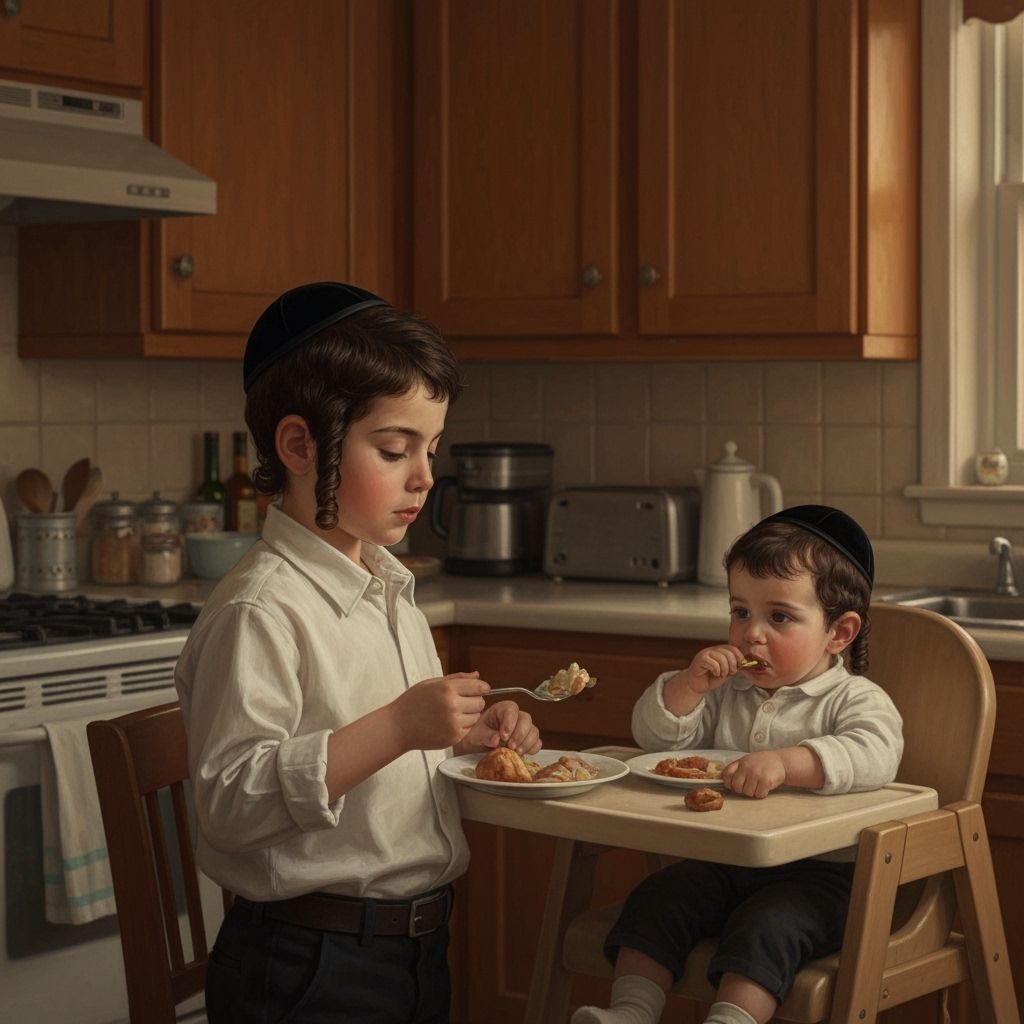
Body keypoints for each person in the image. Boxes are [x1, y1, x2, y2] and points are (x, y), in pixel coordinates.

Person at [174, 281, 542, 1024]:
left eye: (432, 449)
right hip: (304, 969)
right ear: (300, 445)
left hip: (411, 953)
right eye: (395, 448)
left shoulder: (385, 586)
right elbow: (231, 805)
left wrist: (456, 739)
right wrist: (402, 728)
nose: (425, 477)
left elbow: (370, 752)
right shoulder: (260, 609)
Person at [572, 505, 903, 1024]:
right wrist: (687, 688)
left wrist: (788, 763)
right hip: (727, 861)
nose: (752, 634)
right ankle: (630, 1013)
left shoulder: (853, 699)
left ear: (839, 633)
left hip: (824, 878)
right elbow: (655, 741)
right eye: (740, 612)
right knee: (658, 898)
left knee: (767, 925)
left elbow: (875, 753)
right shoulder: (730, 692)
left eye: (780, 617)